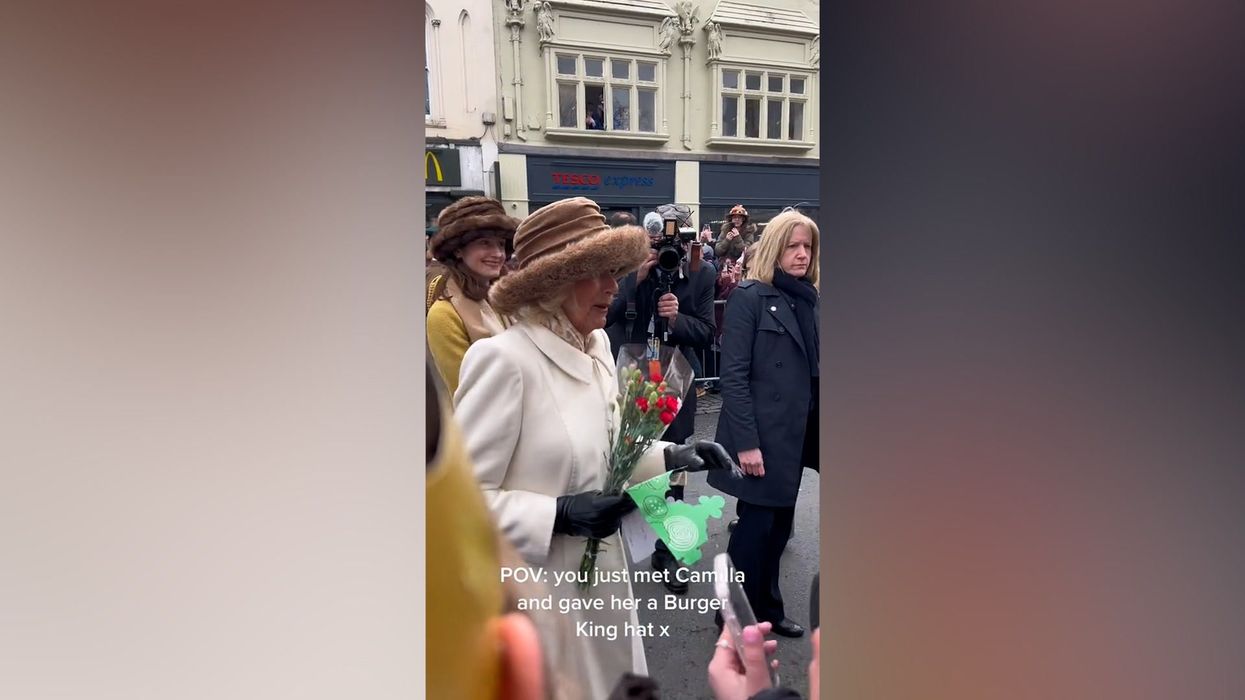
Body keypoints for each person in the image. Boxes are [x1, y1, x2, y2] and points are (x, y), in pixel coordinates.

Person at [454, 196, 738, 699]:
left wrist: (675, 454)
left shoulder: (597, 348)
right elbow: (461, 507)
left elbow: (610, 450)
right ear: (552, 284)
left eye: (615, 271)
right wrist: (557, 514)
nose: (614, 286)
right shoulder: (503, 361)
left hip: (604, 580)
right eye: (596, 273)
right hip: (541, 598)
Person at [708, 210, 820, 639]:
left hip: (796, 432)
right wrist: (747, 445)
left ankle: (768, 608)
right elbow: (733, 378)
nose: (801, 254)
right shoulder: (750, 296)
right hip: (760, 435)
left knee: (778, 530)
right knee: (754, 534)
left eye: (807, 246)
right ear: (774, 247)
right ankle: (731, 616)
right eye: (792, 245)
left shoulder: (808, 298)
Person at [604, 207, 717, 593]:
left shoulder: (701, 273)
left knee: (676, 463)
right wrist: (633, 279)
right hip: (631, 374)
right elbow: (605, 318)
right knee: (627, 459)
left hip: (676, 378)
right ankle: (618, 538)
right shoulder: (624, 268)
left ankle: (668, 549)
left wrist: (677, 319)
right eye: (653, 242)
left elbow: (706, 332)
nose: (662, 250)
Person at [426, 196, 519, 394]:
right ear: (458, 249)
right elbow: (467, 393)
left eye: (501, 244)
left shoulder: (504, 301)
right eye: (485, 243)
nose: (498, 253)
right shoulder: (444, 315)